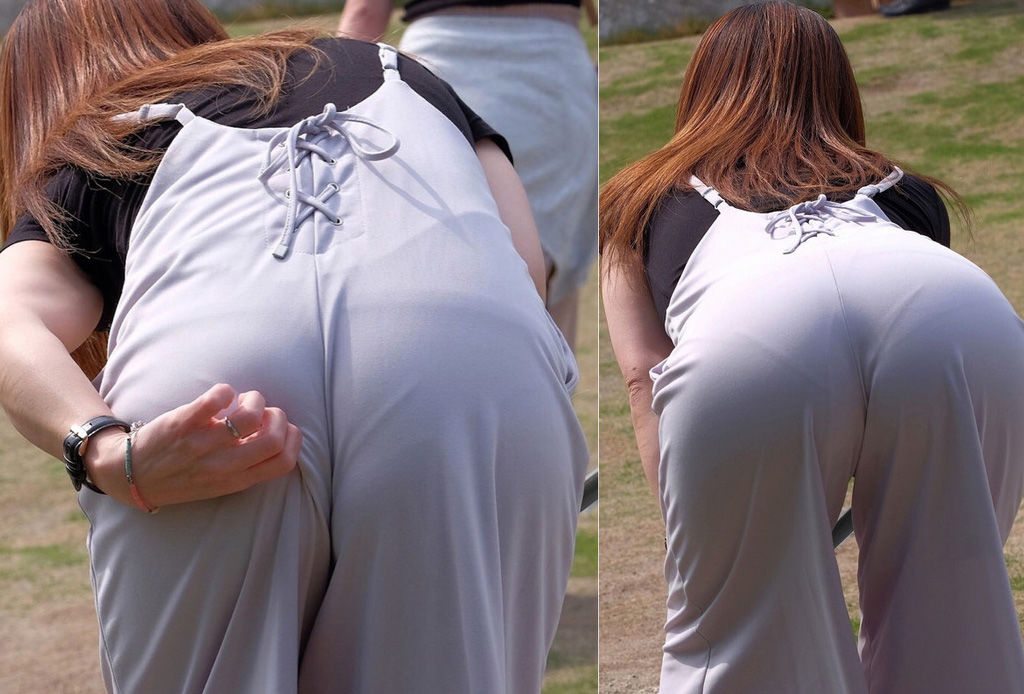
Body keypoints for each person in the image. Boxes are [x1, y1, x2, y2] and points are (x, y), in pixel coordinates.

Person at [0, 1, 589, 692]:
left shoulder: (95, 146)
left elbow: (13, 319)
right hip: (476, 370)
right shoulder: (408, 76)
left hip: (218, 411)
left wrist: (106, 452)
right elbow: (526, 272)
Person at [600, 3, 1024, 692]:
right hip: (959, 311)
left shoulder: (635, 202)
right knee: (952, 619)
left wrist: (704, 538)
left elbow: (643, 376)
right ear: (838, 87)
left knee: (741, 641)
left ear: (701, 85)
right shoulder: (911, 193)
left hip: (753, 333)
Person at [338, 0, 598, 351]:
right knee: (543, 283)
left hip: (435, 78)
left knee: (435, 267)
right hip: (553, 81)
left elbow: (364, 16)